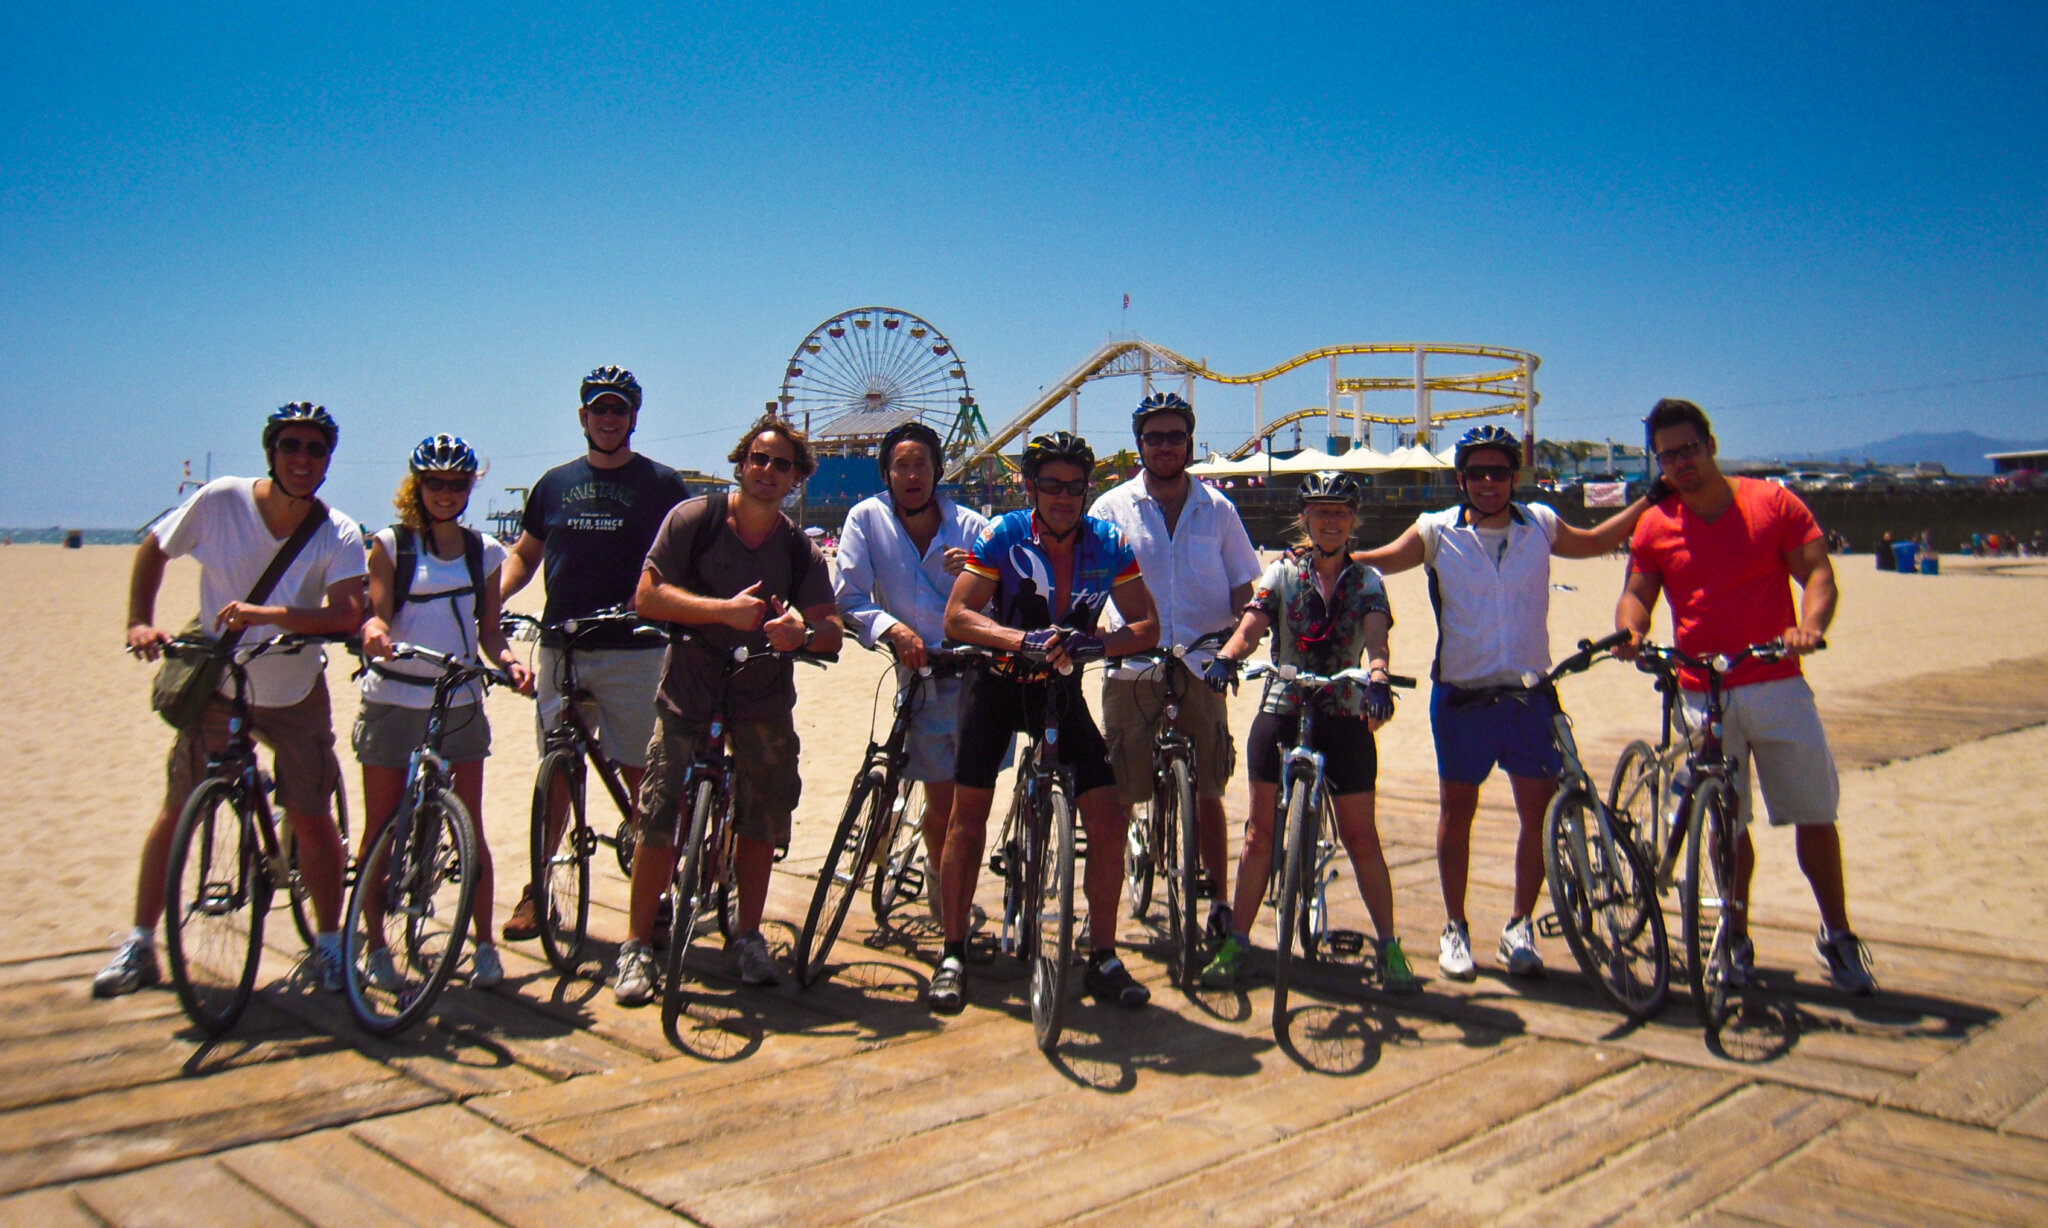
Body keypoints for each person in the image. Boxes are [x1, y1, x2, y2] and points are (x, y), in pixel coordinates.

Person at [1352, 423, 1663, 982]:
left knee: (1536, 817)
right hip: (1461, 698)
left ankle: (1519, 925)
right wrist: (1328, 550)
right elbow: (1381, 560)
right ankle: (1455, 927)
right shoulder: (1436, 531)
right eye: (1478, 473)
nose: (1489, 483)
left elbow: (1594, 543)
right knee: (1457, 814)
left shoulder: (1539, 524)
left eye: (1499, 472)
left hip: (1528, 698)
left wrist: (1649, 500)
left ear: (1514, 476)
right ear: (1462, 479)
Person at [100, 403, 367, 996]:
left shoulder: (337, 531)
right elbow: (154, 548)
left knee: (311, 815)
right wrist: (138, 621)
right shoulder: (221, 500)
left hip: (294, 688)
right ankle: (141, 943)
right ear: (271, 451)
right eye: (291, 446)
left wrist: (268, 615)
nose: (302, 459)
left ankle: (328, 944)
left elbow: (350, 614)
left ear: (328, 460)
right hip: (222, 681)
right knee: (179, 806)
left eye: (315, 450)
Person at [1617, 398, 1874, 994]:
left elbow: (1816, 574)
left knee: (1814, 814)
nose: (1681, 463)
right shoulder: (1657, 524)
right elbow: (1638, 594)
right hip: (1702, 690)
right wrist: (1631, 630)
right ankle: (1733, 933)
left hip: (1775, 681)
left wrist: (1809, 625)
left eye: (1688, 449)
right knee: (1724, 822)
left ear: (1709, 442)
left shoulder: (1771, 502)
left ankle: (1837, 935)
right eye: (1667, 456)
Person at [929, 431, 1161, 1014]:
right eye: (1051, 486)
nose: (1064, 497)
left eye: (1075, 487)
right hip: (996, 686)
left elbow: (1147, 626)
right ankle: (952, 952)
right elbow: (957, 616)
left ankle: (1103, 955)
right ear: (1030, 487)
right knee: (967, 819)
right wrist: (1021, 639)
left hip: (1061, 690)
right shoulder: (1005, 534)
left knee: (1106, 822)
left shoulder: (1108, 542)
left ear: (1088, 490)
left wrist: (1094, 645)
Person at [615, 415, 844, 1003]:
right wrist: (721, 612)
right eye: (759, 459)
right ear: (740, 464)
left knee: (762, 817)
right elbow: (647, 595)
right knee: (659, 812)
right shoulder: (695, 519)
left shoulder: (798, 546)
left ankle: (747, 935)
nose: (768, 471)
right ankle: (637, 946)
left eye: (782, 464)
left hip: (762, 694)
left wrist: (800, 632)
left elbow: (831, 632)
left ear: (797, 478)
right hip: (689, 688)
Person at [1199, 472, 1417, 991]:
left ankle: (1390, 947)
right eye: (1321, 511)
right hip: (1283, 704)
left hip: (1343, 709)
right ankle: (1239, 942)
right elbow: (1252, 626)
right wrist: (1228, 658)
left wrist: (1379, 676)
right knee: (1258, 835)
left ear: (1354, 519)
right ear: (1305, 519)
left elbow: (1376, 635)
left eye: (1341, 511)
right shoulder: (1281, 575)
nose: (1332, 520)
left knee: (1362, 835)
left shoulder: (1367, 581)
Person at [497, 367, 690, 942]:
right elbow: (524, 556)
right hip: (562, 648)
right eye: (599, 409)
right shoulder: (553, 484)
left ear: (634, 417)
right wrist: (490, 597)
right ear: (582, 416)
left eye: (619, 409)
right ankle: (539, 889)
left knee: (641, 775)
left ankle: (654, 890)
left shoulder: (662, 485)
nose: (608, 419)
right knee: (555, 774)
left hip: (635, 650)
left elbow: (685, 558)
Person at [353, 436, 533, 990]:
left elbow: (487, 631)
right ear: (418, 484)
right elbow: (376, 615)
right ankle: (377, 948)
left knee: (470, 826)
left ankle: (483, 945)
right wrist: (375, 633)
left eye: (458, 484)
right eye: (436, 483)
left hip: (458, 700)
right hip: (394, 698)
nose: (446, 494)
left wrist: (508, 662)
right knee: (381, 829)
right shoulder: (391, 545)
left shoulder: (484, 552)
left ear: (470, 487)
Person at [1089, 392, 1262, 943]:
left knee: (1208, 786)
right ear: (1138, 444)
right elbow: (1088, 589)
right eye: (1154, 437)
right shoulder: (1110, 509)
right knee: (1118, 791)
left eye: (1175, 436)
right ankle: (1106, 919)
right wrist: (1098, 634)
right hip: (1131, 664)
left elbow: (1243, 587)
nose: (1165, 446)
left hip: (1203, 662)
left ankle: (1216, 898)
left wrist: (1241, 639)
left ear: (1190, 442)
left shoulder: (1219, 508)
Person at [832, 421, 988, 902]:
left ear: (939, 470)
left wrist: (977, 577)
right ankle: (945, 888)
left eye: (922, 463)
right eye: (901, 465)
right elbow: (848, 596)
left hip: (970, 677)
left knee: (967, 804)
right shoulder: (866, 519)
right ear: (886, 473)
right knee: (942, 802)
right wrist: (893, 630)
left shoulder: (973, 528)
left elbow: (1002, 604)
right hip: (914, 675)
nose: (912, 474)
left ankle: (949, 880)